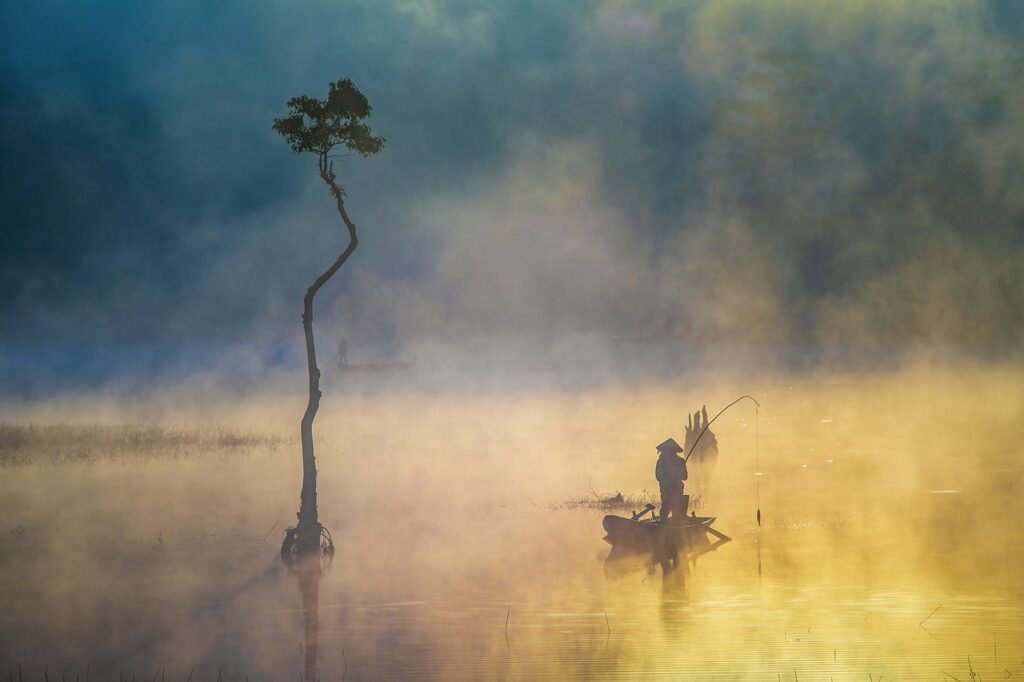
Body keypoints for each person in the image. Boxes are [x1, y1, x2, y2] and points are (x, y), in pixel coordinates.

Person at [654, 438, 688, 521]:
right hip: (666, 490)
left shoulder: (680, 461)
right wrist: (669, 475)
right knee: (666, 507)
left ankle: (675, 524)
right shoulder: (662, 462)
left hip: (676, 490)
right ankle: (664, 524)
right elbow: (658, 476)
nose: (665, 452)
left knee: (676, 510)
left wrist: (676, 474)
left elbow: (685, 477)